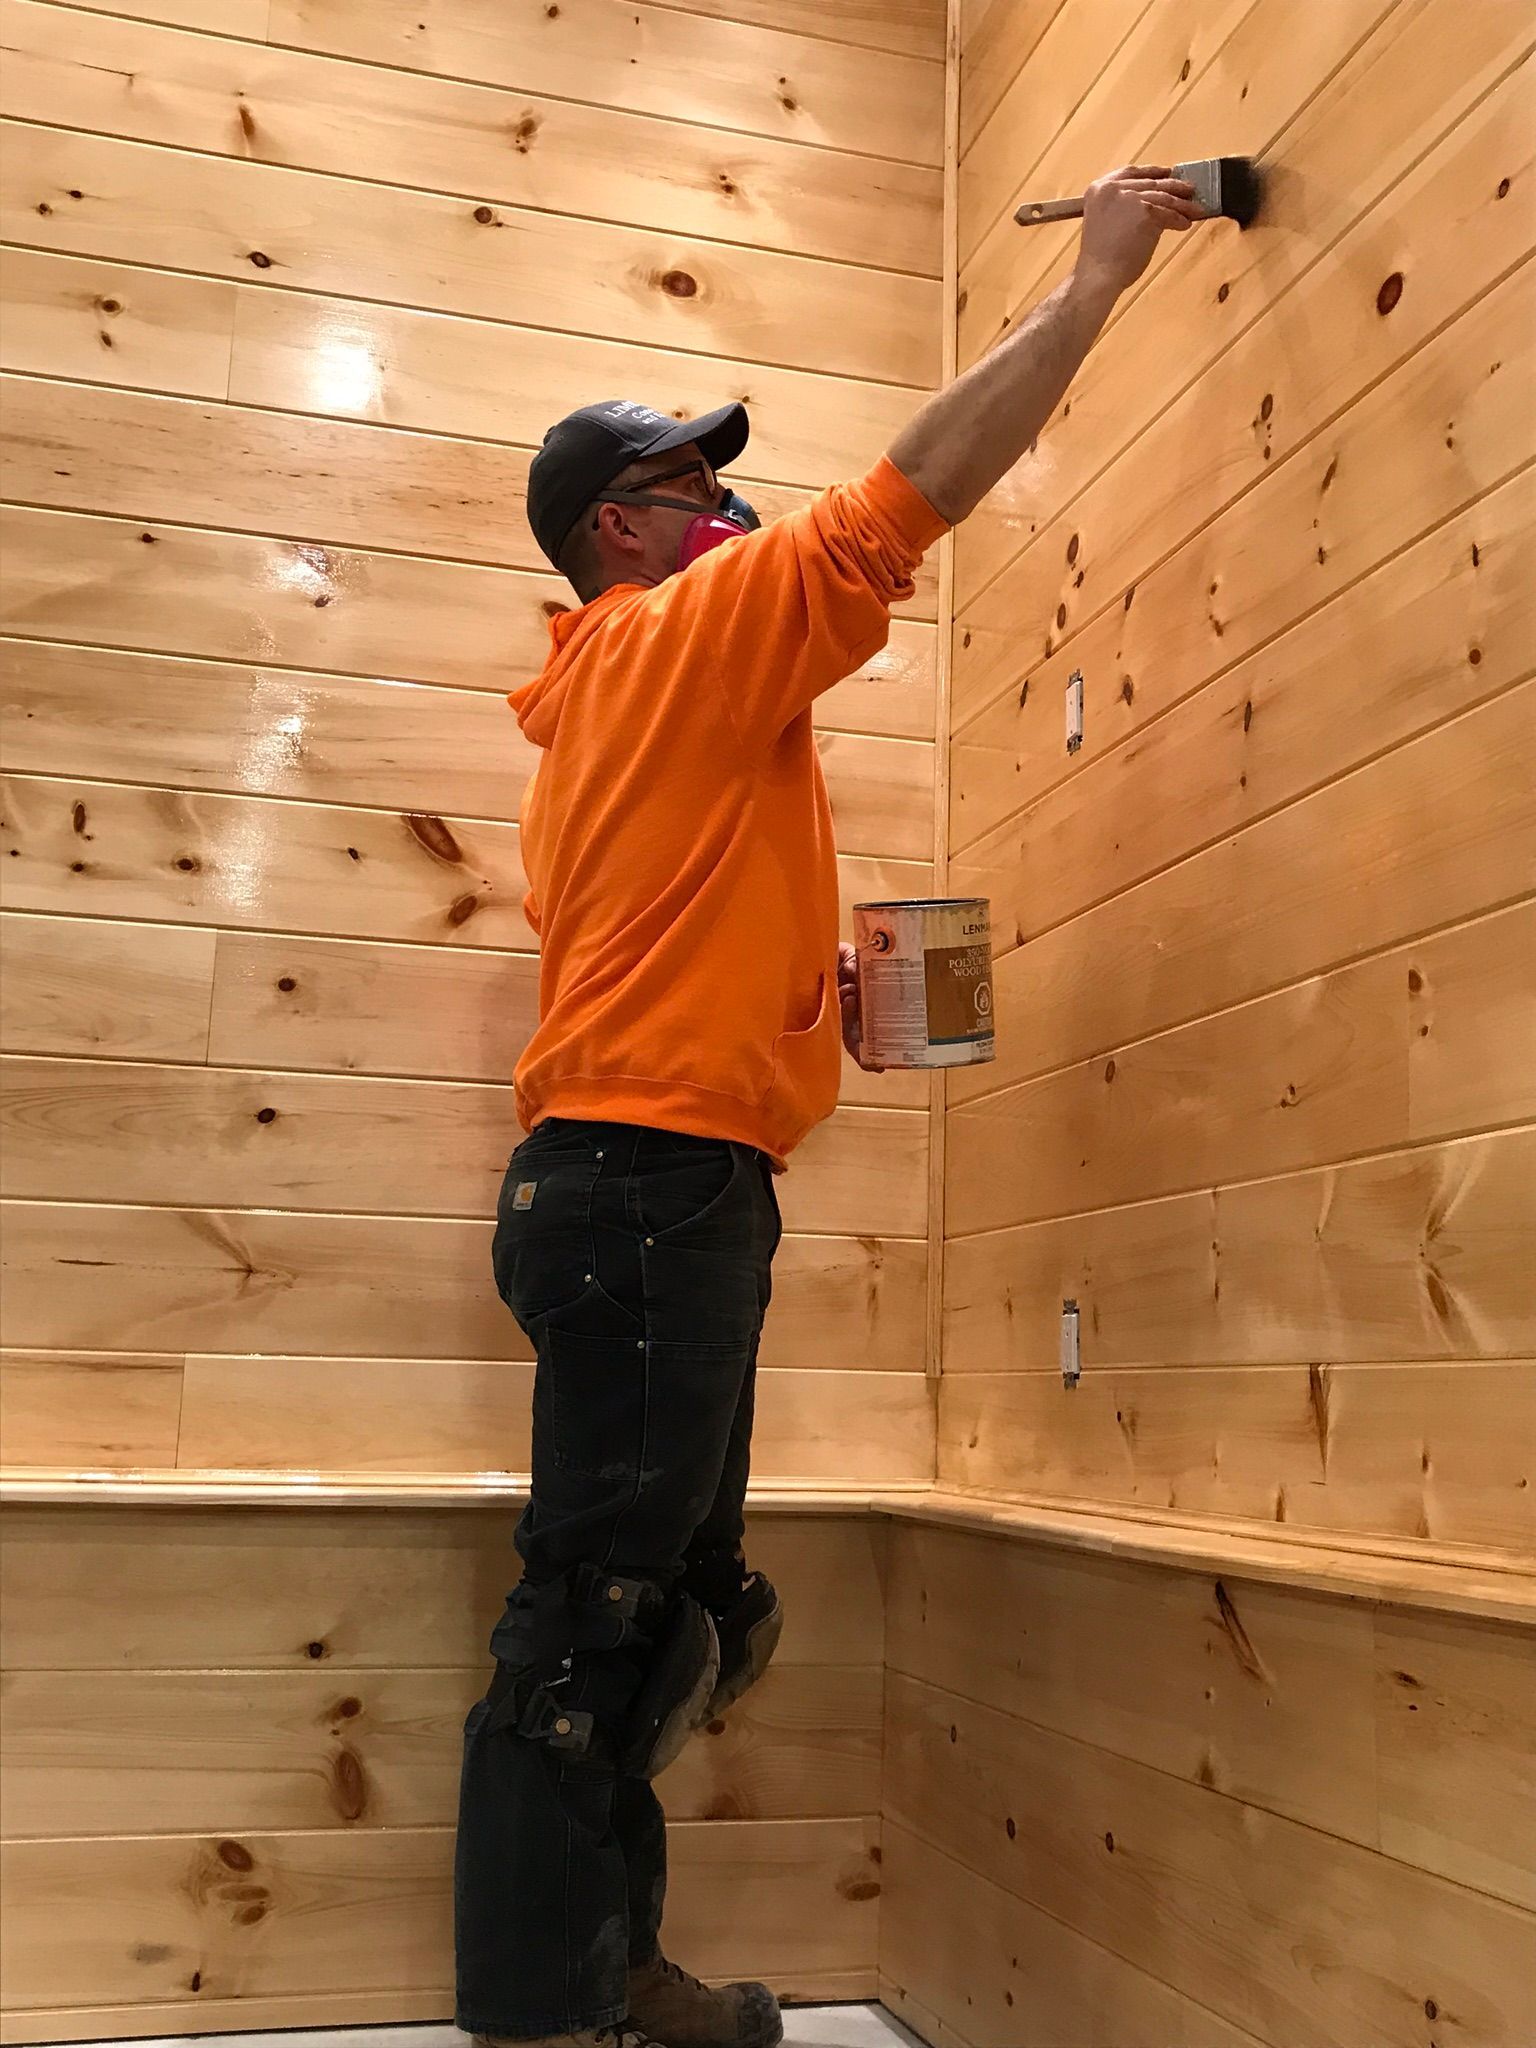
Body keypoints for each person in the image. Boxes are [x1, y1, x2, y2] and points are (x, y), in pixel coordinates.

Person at [455, 166, 1205, 2048]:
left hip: (650, 1181)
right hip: (649, 1186)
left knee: (664, 1596)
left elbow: (655, 943)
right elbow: (901, 500)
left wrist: (808, 1002)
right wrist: (1098, 282)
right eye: (694, 490)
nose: (731, 512)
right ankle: (560, 2006)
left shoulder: (622, 709)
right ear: (620, 531)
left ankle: (601, 1969)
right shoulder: (667, 637)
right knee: (601, 1611)